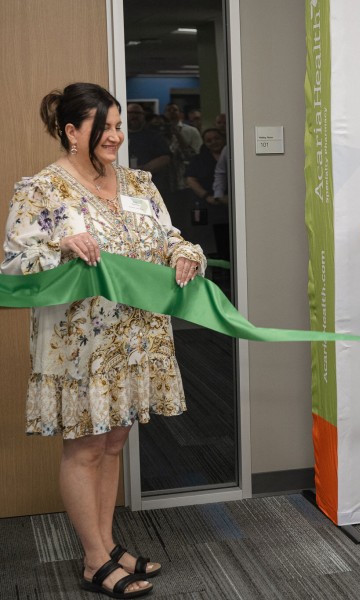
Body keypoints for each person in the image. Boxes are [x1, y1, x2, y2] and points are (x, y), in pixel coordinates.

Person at [2, 83, 205, 598]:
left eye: (119, 127)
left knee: (114, 441)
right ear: (72, 132)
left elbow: (170, 236)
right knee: (86, 445)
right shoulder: (43, 190)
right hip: (80, 345)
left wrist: (186, 254)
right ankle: (94, 559)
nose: (115, 136)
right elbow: (13, 267)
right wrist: (61, 244)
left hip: (135, 335)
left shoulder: (139, 183)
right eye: (104, 128)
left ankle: (108, 542)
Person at [186, 128, 230, 258]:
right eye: (209, 141)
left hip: (229, 205)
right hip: (208, 204)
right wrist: (207, 196)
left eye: (217, 138)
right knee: (212, 245)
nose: (214, 142)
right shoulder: (199, 159)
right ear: (204, 143)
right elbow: (190, 179)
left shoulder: (232, 152)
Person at [125, 103, 172, 188]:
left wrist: (141, 170)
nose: (134, 116)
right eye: (131, 112)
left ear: (143, 116)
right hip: (123, 183)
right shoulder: (119, 135)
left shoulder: (154, 136)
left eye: (138, 113)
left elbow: (165, 158)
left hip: (150, 185)